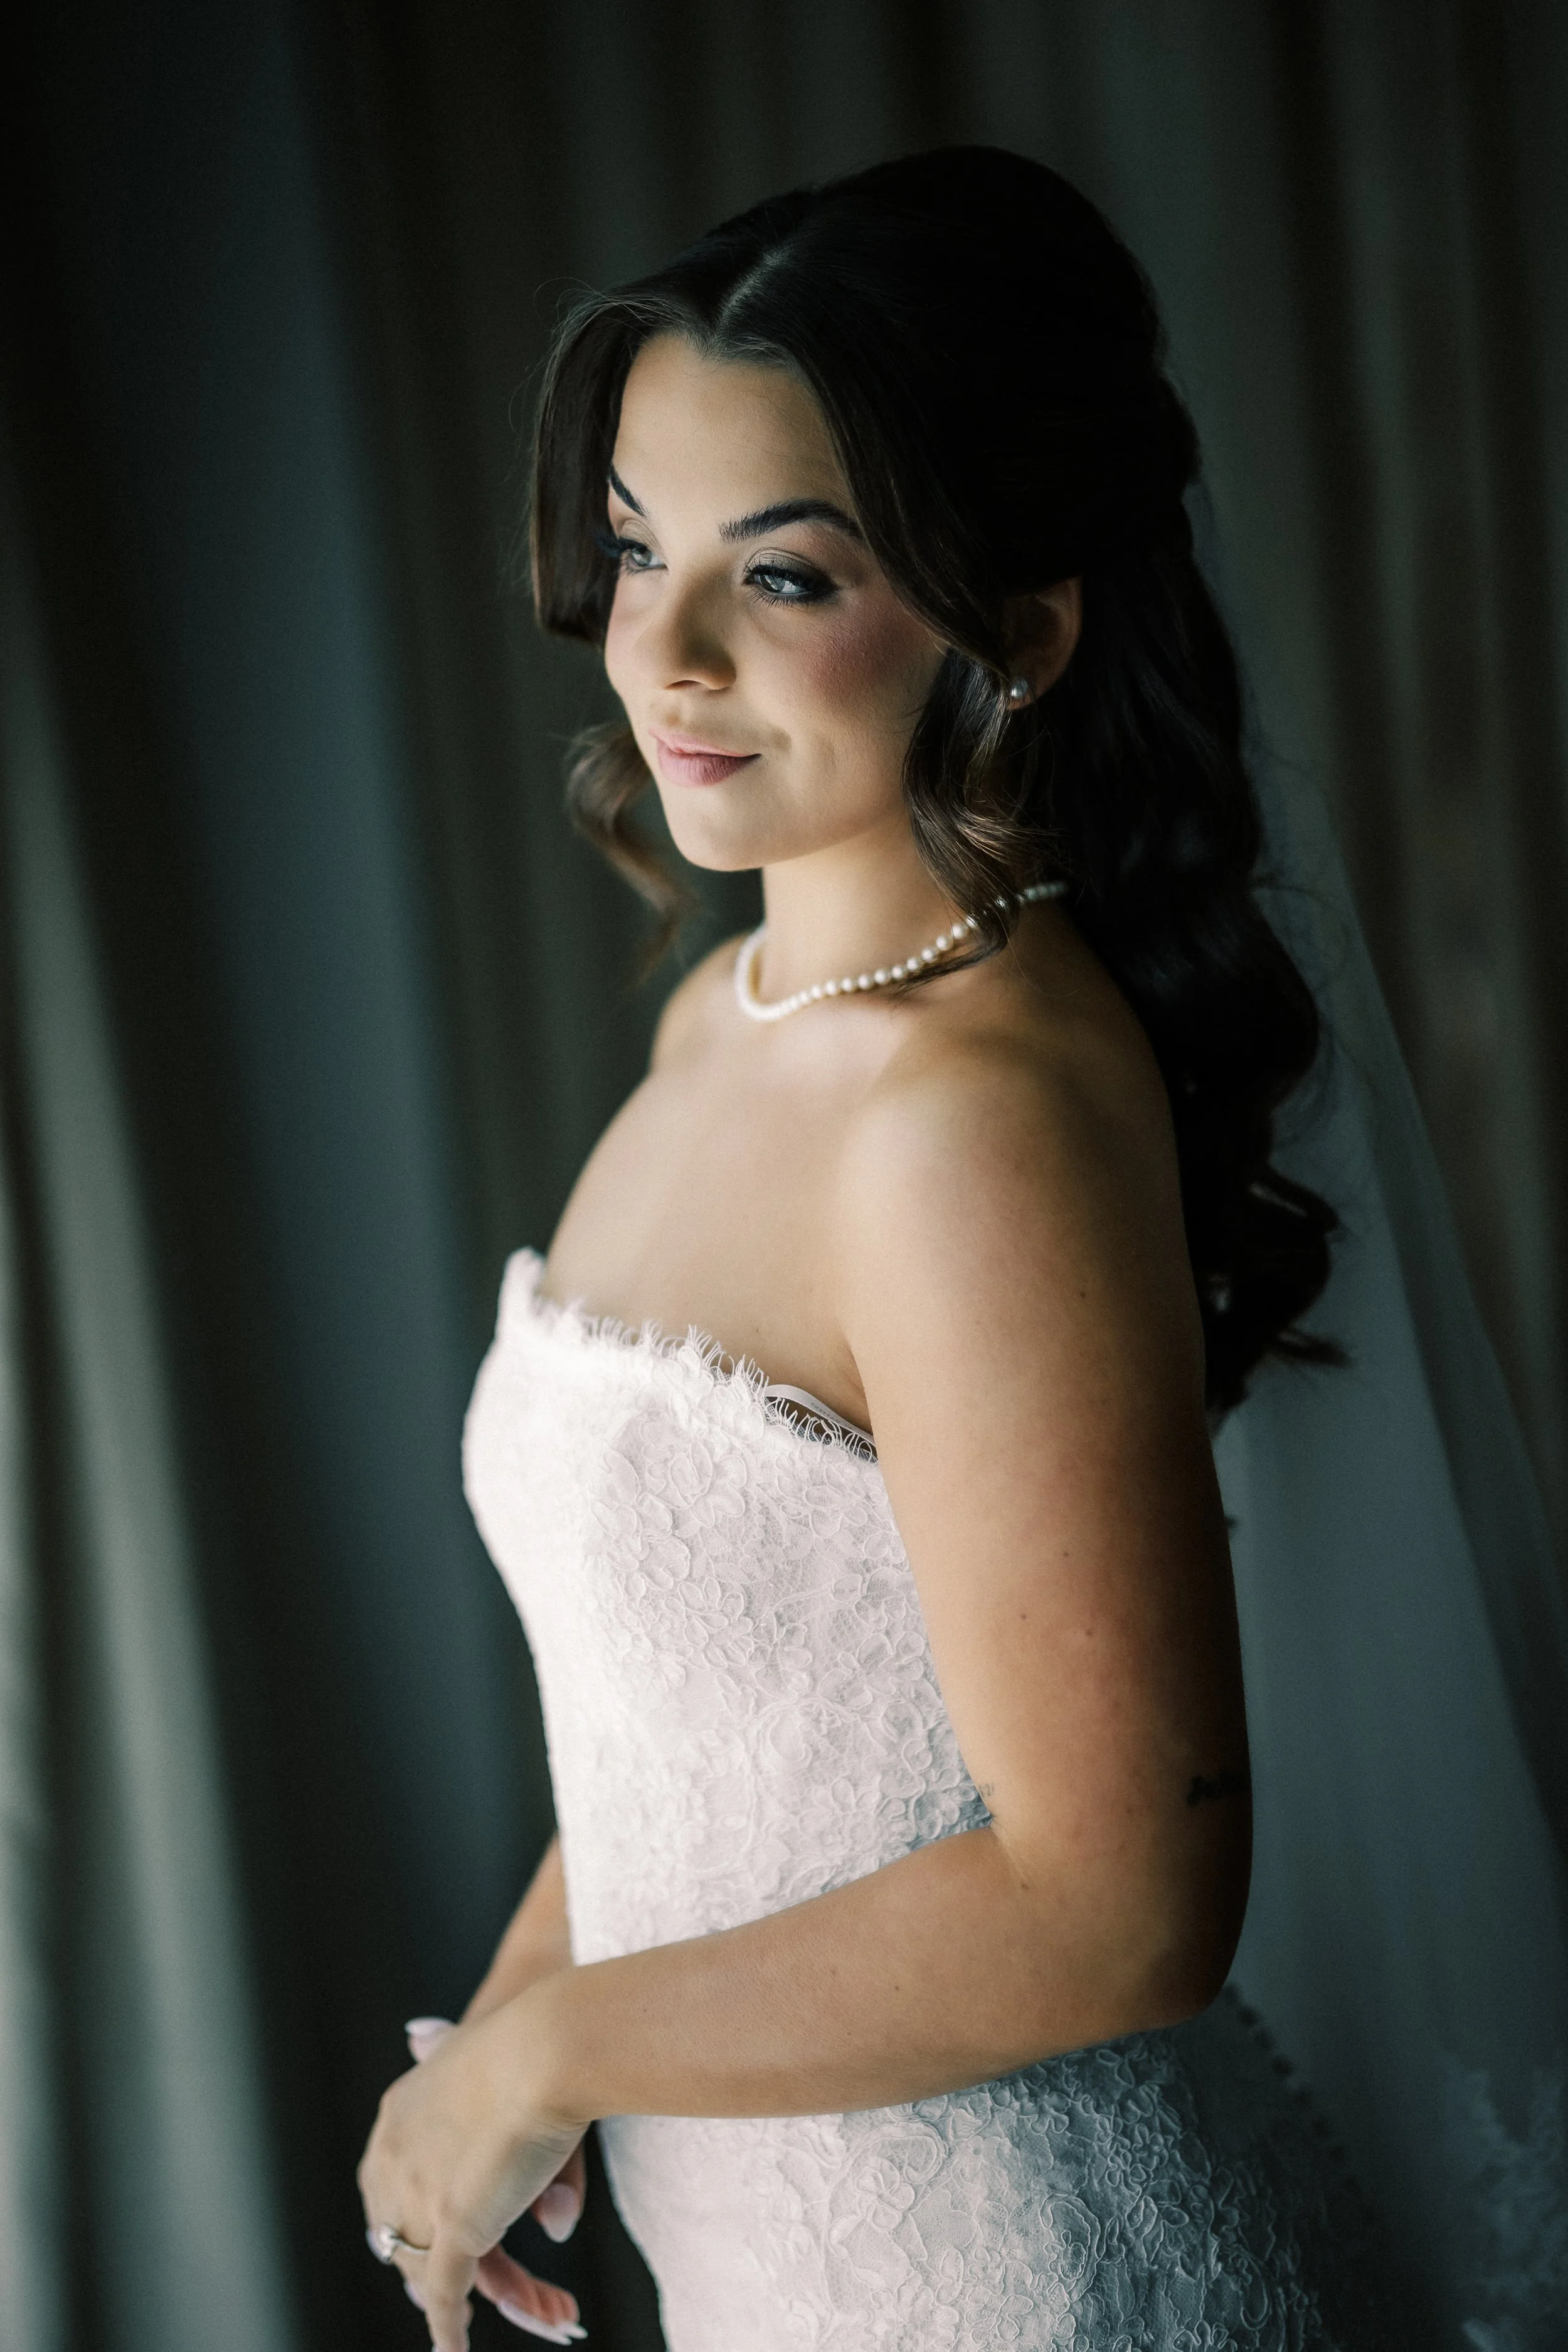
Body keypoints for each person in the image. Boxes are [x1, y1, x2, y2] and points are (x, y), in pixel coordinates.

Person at [358, 149, 1568, 2352]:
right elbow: (698, 1712)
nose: (668, 651)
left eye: (784, 574)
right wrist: (523, 2019)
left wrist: (558, 2055)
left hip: (1025, 2285)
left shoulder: (971, 1122)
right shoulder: (708, 1025)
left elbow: (1120, 1904)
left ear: (1014, 621)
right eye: (635, 547)